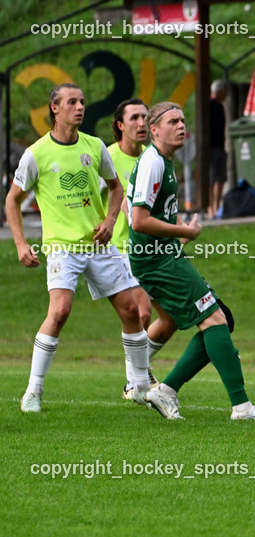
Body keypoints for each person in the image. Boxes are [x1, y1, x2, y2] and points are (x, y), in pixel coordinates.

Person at [129, 102, 255, 421]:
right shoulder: (152, 162)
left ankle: (166, 390)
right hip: (156, 261)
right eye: (173, 121)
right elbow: (139, 220)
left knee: (221, 318)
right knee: (214, 319)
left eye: (183, 120)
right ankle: (241, 407)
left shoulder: (164, 161)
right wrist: (184, 231)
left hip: (164, 256)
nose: (182, 126)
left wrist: (178, 230)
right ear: (154, 130)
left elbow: (152, 214)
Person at [5, 83, 151, 412]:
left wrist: (110, 220)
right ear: (54, 108)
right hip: (62, 248)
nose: (80, 107)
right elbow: (12, 200)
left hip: (98, 245)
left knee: (132, 311)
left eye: (82, 101)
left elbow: (116, 188)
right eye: (72, 102)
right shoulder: (36, 153)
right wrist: (20, 244)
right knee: (59, 312)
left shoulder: (94, 146)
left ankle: (141, 387)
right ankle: (33, 392)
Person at [107, 98, 159, 398]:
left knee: (160, 317)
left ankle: (139, 370)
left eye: (145, 117)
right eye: (135, 118)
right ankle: (135, 379)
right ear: (120, 125)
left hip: (149, 248)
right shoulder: (106, 158)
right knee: (141, 311)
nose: (142, 124)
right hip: (118, 248)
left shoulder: (152, 157)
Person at [208, 81, 228, 219]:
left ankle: (217, 206)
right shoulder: (208, 106)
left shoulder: (220, 106)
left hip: (220, 146)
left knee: (220, 177)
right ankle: (211, 207)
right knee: (212, 178)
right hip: (210, 147)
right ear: (220, 91)